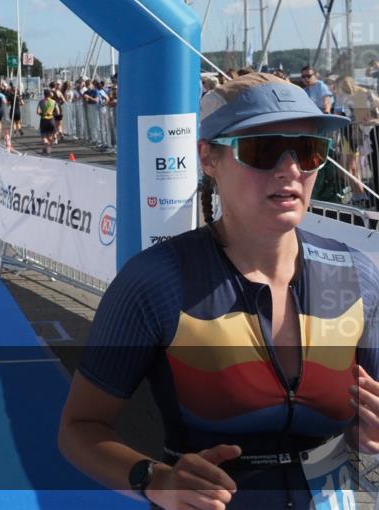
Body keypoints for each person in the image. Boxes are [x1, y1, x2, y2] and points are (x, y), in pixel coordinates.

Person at [58, 72, 379, 509]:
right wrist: (153, 478)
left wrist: (368, 438)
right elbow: (80, 427)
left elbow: (368, 434)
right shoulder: (155, 282)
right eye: (262, 150)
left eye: (308, 151)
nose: (290, 169)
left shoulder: (357, 275)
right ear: (208, 158)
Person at [36, 90, 57, 155]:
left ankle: (47, 146)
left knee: (44, 136)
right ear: (49, 95)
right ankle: (47, 148)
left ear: (44, 94)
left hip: (43, 120)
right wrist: (52, 114)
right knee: (50, 136)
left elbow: (37, 112)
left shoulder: (41, 102)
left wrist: (43, 114)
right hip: (51, 119)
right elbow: (58, 112)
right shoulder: (53, 102)